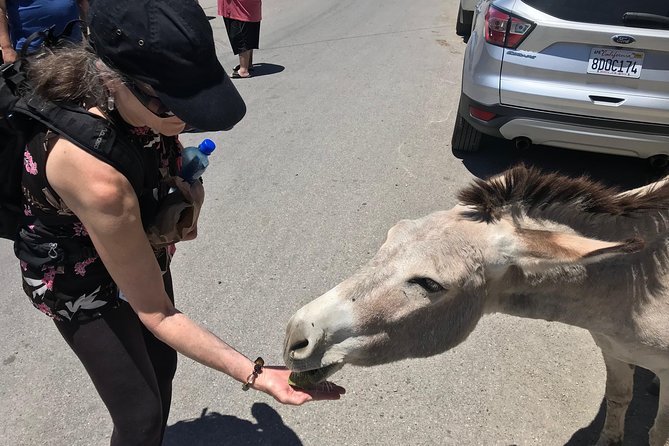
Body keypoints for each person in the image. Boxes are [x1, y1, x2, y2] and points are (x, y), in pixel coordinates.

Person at [13, 0, 344, 444]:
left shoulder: (140, 100)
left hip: (132, 240)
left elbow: (157, 151)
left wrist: (183, 190)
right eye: (173, 104)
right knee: (140, 414)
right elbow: (158, 312)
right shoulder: (93, 172)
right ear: (114, 77)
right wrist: (259, 374)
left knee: (163, 365)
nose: (185, 116)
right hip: (76, 272)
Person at [0, 0, 88, 63]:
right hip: (33, 53)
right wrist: (6, 48)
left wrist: (85, 30)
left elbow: (82, 2)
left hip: (74, 45)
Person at [218, 0, 262, 78]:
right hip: (248, 7)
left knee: (240, 35)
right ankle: (247, 64)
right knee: (248, 32)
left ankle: (243, 70)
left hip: (238, 7)